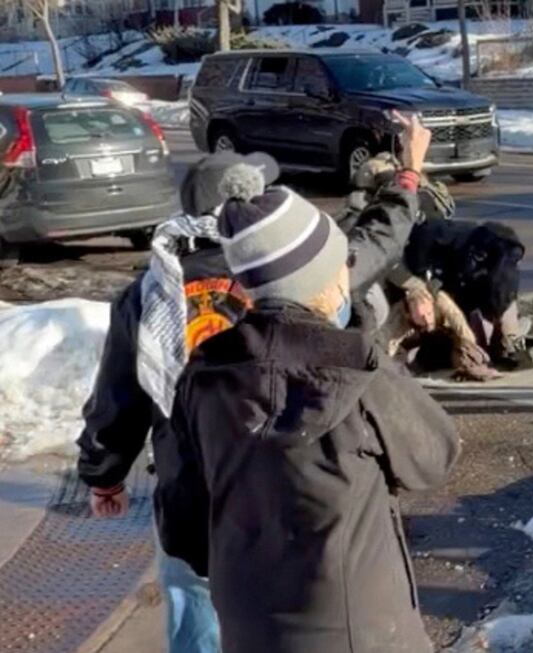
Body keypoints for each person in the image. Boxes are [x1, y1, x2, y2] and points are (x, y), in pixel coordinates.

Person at [76, 112, 432, 653]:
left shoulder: (149, 294)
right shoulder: (296, 277)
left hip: (195, 494)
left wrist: (103, 474)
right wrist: (408, 177)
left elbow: (118, 399)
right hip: (304, 501)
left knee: (193, 602)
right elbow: (375, 242)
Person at [170, 159, 460, 653]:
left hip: (249, 624)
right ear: (327, 285)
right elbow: (435, 455)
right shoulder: (357, 368)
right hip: (361, 629)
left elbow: (183, 519)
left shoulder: (204, 376)